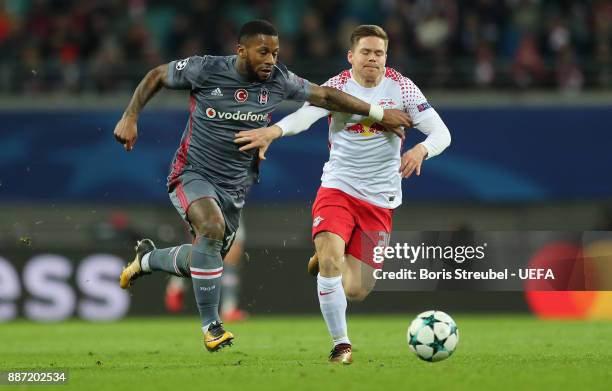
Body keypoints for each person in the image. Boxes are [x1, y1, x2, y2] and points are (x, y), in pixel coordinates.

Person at [113, 20, 412, 352]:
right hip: (191, 174)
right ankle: (212, 326)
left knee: (209, 257)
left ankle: (148, 259)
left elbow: (326, 96)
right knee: (210, 230)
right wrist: (130, 115)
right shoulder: (206, 69)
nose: (271, 59)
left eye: (276, 52)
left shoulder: (279, 80)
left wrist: (378, 112)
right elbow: (156, 75)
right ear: (241, 51)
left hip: (234, 187)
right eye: (263, 52)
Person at [235, 25, 451, 363]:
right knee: (332, 258)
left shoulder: (402, 88)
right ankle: (341, 344)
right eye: (365, 52)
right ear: (351, 56)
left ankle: (324, 261)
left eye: (379, 53)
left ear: (385, 57)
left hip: (379, 201)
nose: (372, 59)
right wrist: (273, 131)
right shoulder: (336, 87)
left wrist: (422, 150)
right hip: (338, 188)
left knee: (356, 290)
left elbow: (441, 132)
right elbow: (305, 116)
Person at [165, 218, 248, 323]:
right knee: (199, 250)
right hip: (204, 204)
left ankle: (229, 309)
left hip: (230, 205)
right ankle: (177, 284)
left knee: (233, 253)